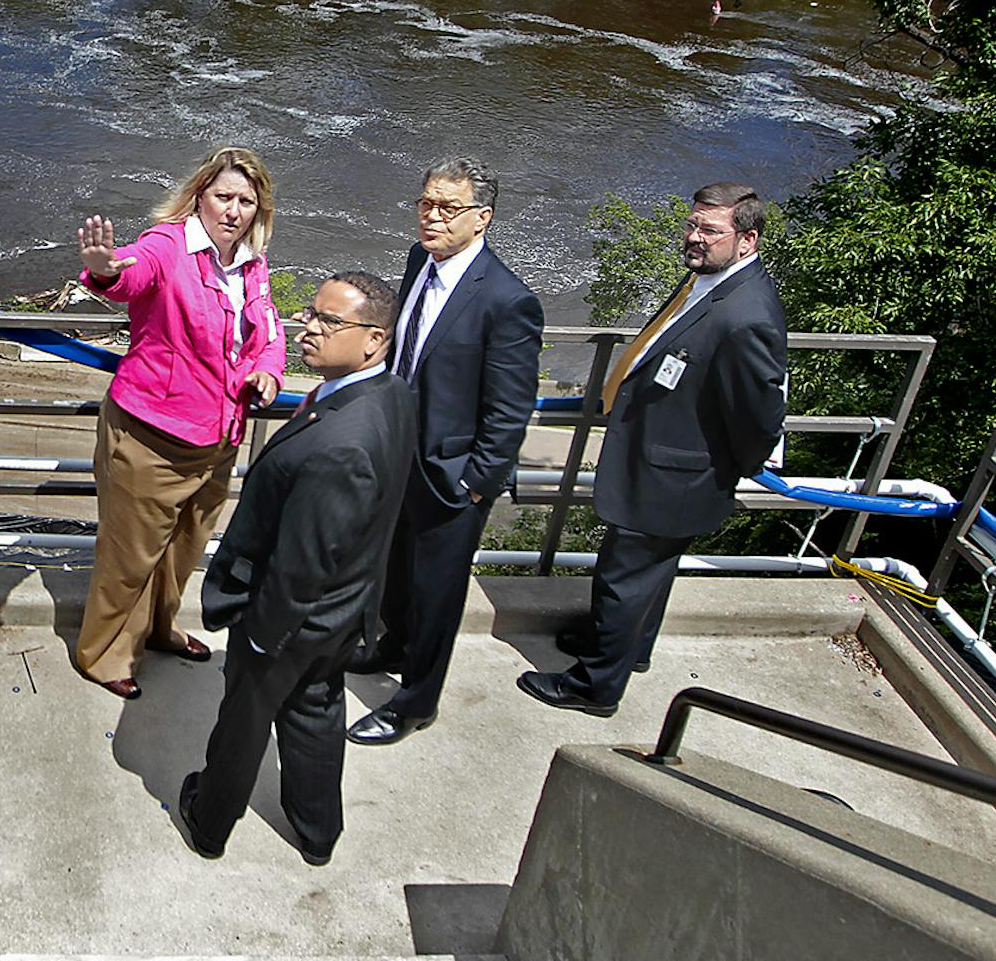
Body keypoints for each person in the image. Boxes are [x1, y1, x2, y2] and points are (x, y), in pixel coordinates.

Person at [518, 182, 788, 717]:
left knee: (624, 577)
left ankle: (594, 687)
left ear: (747, 241)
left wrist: (737, 467)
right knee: (650, 574)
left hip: (675, 472)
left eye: (710, 230)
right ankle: (622, 650)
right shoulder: (711, 281)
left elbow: (760, 415)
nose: (694, 237)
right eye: (693, 225)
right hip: (666, 463)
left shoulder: (746, 316)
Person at [177, 272, 414, 864]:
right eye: (310, 313)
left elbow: (302, 564)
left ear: (373, 341)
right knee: (314, 709)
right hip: (346, 610)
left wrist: (261, 636)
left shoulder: (343, 445)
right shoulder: (391, 394)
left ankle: (210, 821)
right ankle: (316, 832)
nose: (307, 326)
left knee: (243, 720)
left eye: (329, 321)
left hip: (294, 619)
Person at [73, 147, 288, 701]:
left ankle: (160, 629)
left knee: (183, 548)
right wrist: (104, 270)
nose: (234, 210)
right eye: (224, 197)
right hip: (151, 437)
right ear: (199, 196)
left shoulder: (252, 264)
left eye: (246, 200)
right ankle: (104, 654)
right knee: (130, 556)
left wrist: (266, 370)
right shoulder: (168, 245)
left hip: (217, 439)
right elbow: (131, 273)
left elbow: (267, 331)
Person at [347, 157, 543, 746]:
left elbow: (510, 407)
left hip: (453, 474)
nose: (431, 217)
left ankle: (414, 703)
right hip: (399, 454)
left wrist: (475, 482)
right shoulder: (418, 261)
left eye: (446, 208)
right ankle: (393, 647)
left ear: (481, 218)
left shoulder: (507, 300)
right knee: (398, 573)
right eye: (425, 204)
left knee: (437, 592)